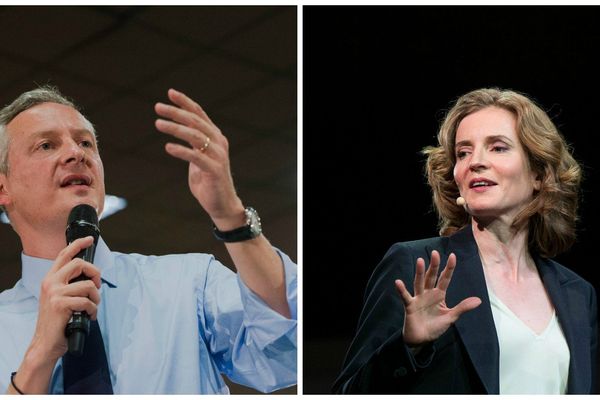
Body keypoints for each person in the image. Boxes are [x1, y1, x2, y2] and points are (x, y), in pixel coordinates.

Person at [0, 86, 297, 394]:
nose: (77, 153)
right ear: (3, 188)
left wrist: (231, 217)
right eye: (46, 145)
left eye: (86, 142)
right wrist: (39, 356)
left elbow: (287, 352)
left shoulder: (189, 283)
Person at [333, 88, 597, 394]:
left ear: (539, 174)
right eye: (463, 152)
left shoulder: (579, 295)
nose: (475, 162)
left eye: (497, 148)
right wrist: (408, 348)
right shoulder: (416, 265)